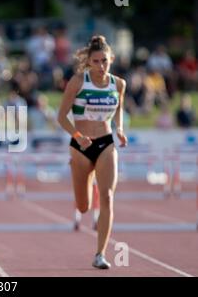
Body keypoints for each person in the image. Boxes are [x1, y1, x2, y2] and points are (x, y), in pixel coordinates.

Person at [57, 35, 128, 269]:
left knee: (107, 197)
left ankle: (100, 254)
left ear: (111, 60)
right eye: (96, 61)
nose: (101, 66)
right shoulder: (78, 82)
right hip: (80, 147)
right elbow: (61, 117)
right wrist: (78, 137)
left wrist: (119, 131)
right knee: (83, 206)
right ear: (88, 62)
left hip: (106, 143)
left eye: (105, 61)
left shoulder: (118, 84)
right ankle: (81, 174)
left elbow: (118, 111)